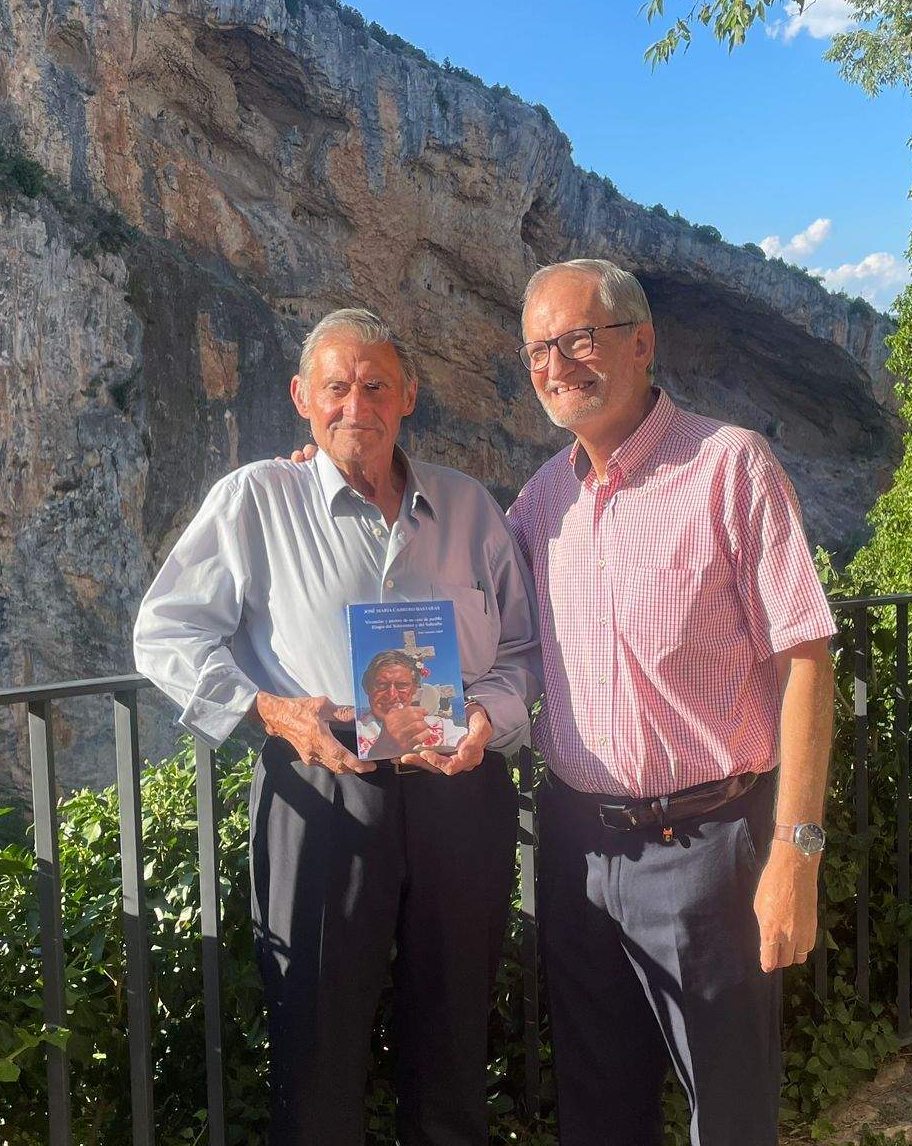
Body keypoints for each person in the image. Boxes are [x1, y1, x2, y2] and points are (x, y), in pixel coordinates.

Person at [131, 308, 540, 1146]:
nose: (358, 405)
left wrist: (486, 718)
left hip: (459, 792)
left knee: (458, 1033)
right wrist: (267, 709)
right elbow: (164, 632)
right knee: (316, 1041)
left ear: (409, 396)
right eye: (337, 387)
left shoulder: (468, 507)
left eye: (377, 385)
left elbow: (526, 652)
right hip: (321, 793)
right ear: (302, 399)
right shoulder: (255, 499)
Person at [506, 259, 837, 1145]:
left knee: (728, 1116)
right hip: (578, 851)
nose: (558, 364)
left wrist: (795, 855)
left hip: (707, 851)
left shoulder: (730, 467)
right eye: (539, 347)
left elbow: (808, 660)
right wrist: (337, 469)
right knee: (597, 1109)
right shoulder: (540, 504)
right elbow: (462, 605)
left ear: (641, 343)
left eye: (580, 338)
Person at [356, 649, 467, 758]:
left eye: (402, 685)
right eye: (381, 684)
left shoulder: (441, 727)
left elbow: (466, 742)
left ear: (414, 690)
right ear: (367, 688)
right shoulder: (354, 730)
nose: (392, 695)